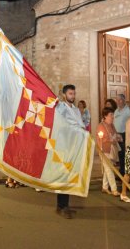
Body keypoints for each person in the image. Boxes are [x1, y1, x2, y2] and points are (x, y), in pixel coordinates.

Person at [55, 84, 86, 218]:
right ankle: (61, 206)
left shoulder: (76, 110)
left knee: (69, 176)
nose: (72, 96)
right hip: (63, 146)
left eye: (74, 94)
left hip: (74, 146)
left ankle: (64, 205)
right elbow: (60, 125)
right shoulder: (60, 108)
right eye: (70, 94)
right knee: (64, 176)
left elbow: (80, 124)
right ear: (64, 95)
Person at [96, 107, 120, 196]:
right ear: (105, 116)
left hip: (112, 150)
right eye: (111, 115)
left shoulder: (112, 125)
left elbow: (115, 134)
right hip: (104, 151)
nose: (113, 117)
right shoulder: (101, 126)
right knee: (109, 170)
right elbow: (101, 139)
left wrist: (117, 137)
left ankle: (105, 187)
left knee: (107, 169)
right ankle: (114, 189)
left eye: (113, 115)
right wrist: (111, 140)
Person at [113, 94, 130, 176]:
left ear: (124, 100)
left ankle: (127, 175)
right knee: (120, 155)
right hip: (117, 134)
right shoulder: (116, 111)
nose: (118, 101)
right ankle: (121, 172)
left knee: (125, 155)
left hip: (125, 134)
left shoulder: (128, 111)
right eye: (117, 100)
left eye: (120, 100)